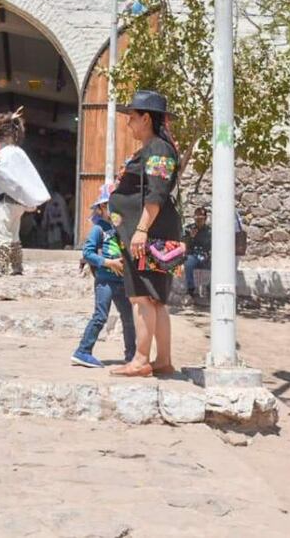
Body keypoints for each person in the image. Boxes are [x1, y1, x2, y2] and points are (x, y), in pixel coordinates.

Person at [107, 91, 182, 378]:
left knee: (142, 297)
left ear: (146, 118)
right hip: (155, 231)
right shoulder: (155, 148)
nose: (129, 124)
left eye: (132, 117)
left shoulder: (158, 149)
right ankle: (162, 360)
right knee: (155, 299)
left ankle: (140, 360)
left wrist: (140, 230)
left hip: (150, 233)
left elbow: (156, 193)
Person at [71, 184, 135, 368]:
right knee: (100, 316)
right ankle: (83, 351)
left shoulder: (121, 228)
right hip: (105, 281)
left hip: (122, 281)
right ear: (101, 208)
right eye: (109, 205)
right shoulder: (98, 229)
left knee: (129, 318)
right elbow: (87, 253)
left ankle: (131, 355)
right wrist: (108, 263)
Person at [0, 109, 49, 275]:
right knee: (13, 234)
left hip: (4, 199)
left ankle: (0, 267)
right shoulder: (20, 153)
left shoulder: (3, 154)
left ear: (0, 137)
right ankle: (17, 267)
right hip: (17, 201)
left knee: (1, 233)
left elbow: (0, 174)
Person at [183, 207, 212, 300]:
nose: (198, 221)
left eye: (201, 218)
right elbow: (184, 245)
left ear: (205, 219)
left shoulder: (210, 231)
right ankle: (190, 289)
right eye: (197, 218)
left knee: (216, 265)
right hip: (193, 255)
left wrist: (209, 254)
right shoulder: (188, 229)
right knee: (188, 263)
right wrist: (190, 237)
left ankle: (210, 287)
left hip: (205, 256)